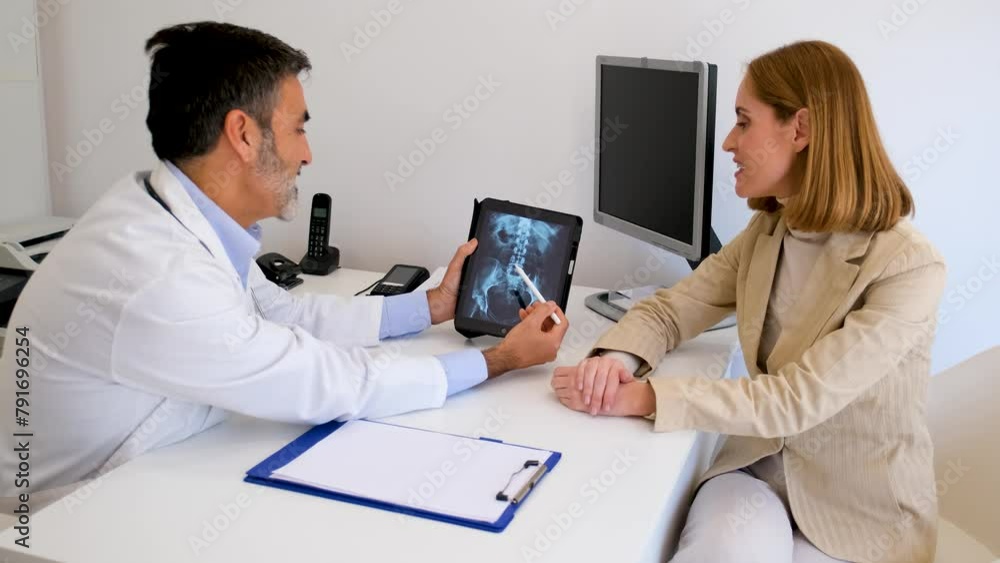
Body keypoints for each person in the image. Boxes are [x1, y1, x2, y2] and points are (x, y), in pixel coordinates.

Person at [0, 22, 567, 507]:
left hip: (148, 473)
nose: (307, 153)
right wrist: (500, 361)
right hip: (63, 522)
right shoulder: (159, 273)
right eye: (298, 127)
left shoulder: (173, 214)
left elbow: (283, 315)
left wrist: (432, 306)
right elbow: (327, 383)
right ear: (243, 135)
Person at [551, 40, 945, 563]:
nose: (728, 143)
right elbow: (672, 308)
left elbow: (796, 400)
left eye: (743, 122)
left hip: (859, 517)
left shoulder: (906, 265)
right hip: (760, 470)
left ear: (800, 129)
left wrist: (647, 399)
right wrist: (614, 364)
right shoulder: (770, 230)